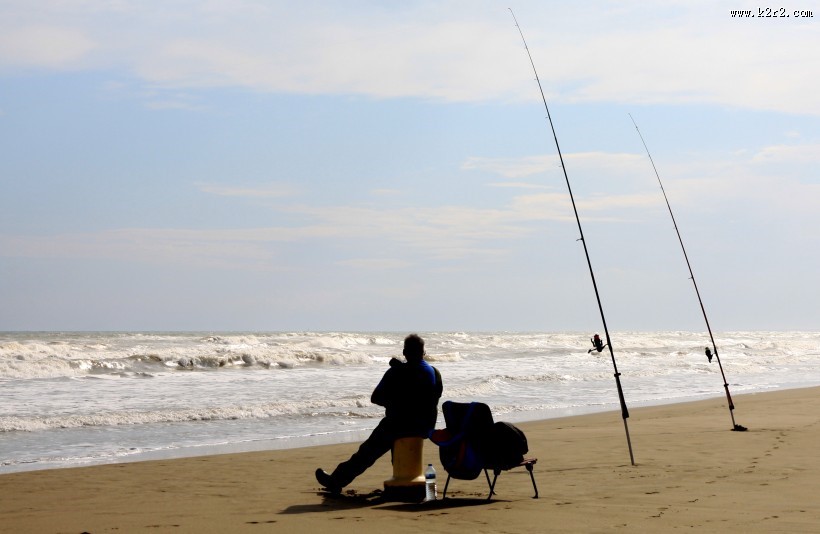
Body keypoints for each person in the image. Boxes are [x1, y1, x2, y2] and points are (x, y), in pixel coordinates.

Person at [315, 333, 443, 493]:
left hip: (398, 425)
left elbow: (376, 398)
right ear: (423, 353)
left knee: (366, 453)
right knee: (395, 440)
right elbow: (434, 397)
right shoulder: (434, 372)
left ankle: (336, 481)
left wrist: (396, 399)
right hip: (424, 427)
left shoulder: (395, 373)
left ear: (404, 353)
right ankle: (405, 481)